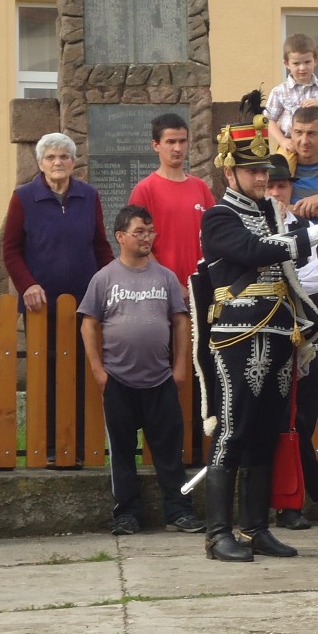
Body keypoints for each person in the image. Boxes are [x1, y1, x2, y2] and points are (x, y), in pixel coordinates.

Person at [191, 114, 318, 562]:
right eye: (252, 170)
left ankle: (255, 528)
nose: (261, 178)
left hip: (279, 332)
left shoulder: (273, 214)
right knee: (233, 430)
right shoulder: (219, 216)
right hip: (237, 336)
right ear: (229, 172)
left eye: (264, 170)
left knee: (267, 433)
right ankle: (218, 534)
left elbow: (293, 259)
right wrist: (313, 233)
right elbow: (253, 251)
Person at [79, 205, 203, 536]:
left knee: (170, 452)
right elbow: (88, 324)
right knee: (122, 453)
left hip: (160, 380)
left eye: (150, 232)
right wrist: (98, 371)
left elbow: (181, 322)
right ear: (120, 237)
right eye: (139, 233)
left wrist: (180, 367)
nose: (147, 238)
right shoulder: (104, 278)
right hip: (118, 380)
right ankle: (126, 515)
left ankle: (179, 511)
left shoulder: (165, 277)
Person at [1, 132, 114, 466]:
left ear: (73, 162)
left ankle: (81, 447)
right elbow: (11, 251)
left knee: (83, 372)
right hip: (41, 307)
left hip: (85, 305)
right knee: (47, 376)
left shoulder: (89, 196)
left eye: (64, 156)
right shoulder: (23, 198)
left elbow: (101, 246)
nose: (57, 163)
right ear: (40, 163)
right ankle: (49, 447)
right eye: (50, 157)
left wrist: (110, 284)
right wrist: (27, 286)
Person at [264, 153, 318, 530]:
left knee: (302, 420)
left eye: (282, 186)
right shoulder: (253, 229)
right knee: (278, 419)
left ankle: (294, 501)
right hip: (266, 337)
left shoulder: (306, 227)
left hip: (307, 338)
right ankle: (314, 496)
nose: (276, 193)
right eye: (270, 186)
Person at [128, 112, 215, 291]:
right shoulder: (144, 190)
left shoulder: (201, 188)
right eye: (170, 142)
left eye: (182, 141)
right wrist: (169, 284)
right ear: (156, 145)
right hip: (160, 290)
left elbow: (215, 235)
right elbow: (136, 244)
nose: (177, 148)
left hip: (203, 287)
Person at [263, 32, 318, 154]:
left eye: (307, 62)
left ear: (316, 61)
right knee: (283, 163)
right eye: (296, 63)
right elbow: (269, 120)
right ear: (287, 64)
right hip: (291, 142)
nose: (302, 68)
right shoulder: (279, 91)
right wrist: (283, 141)